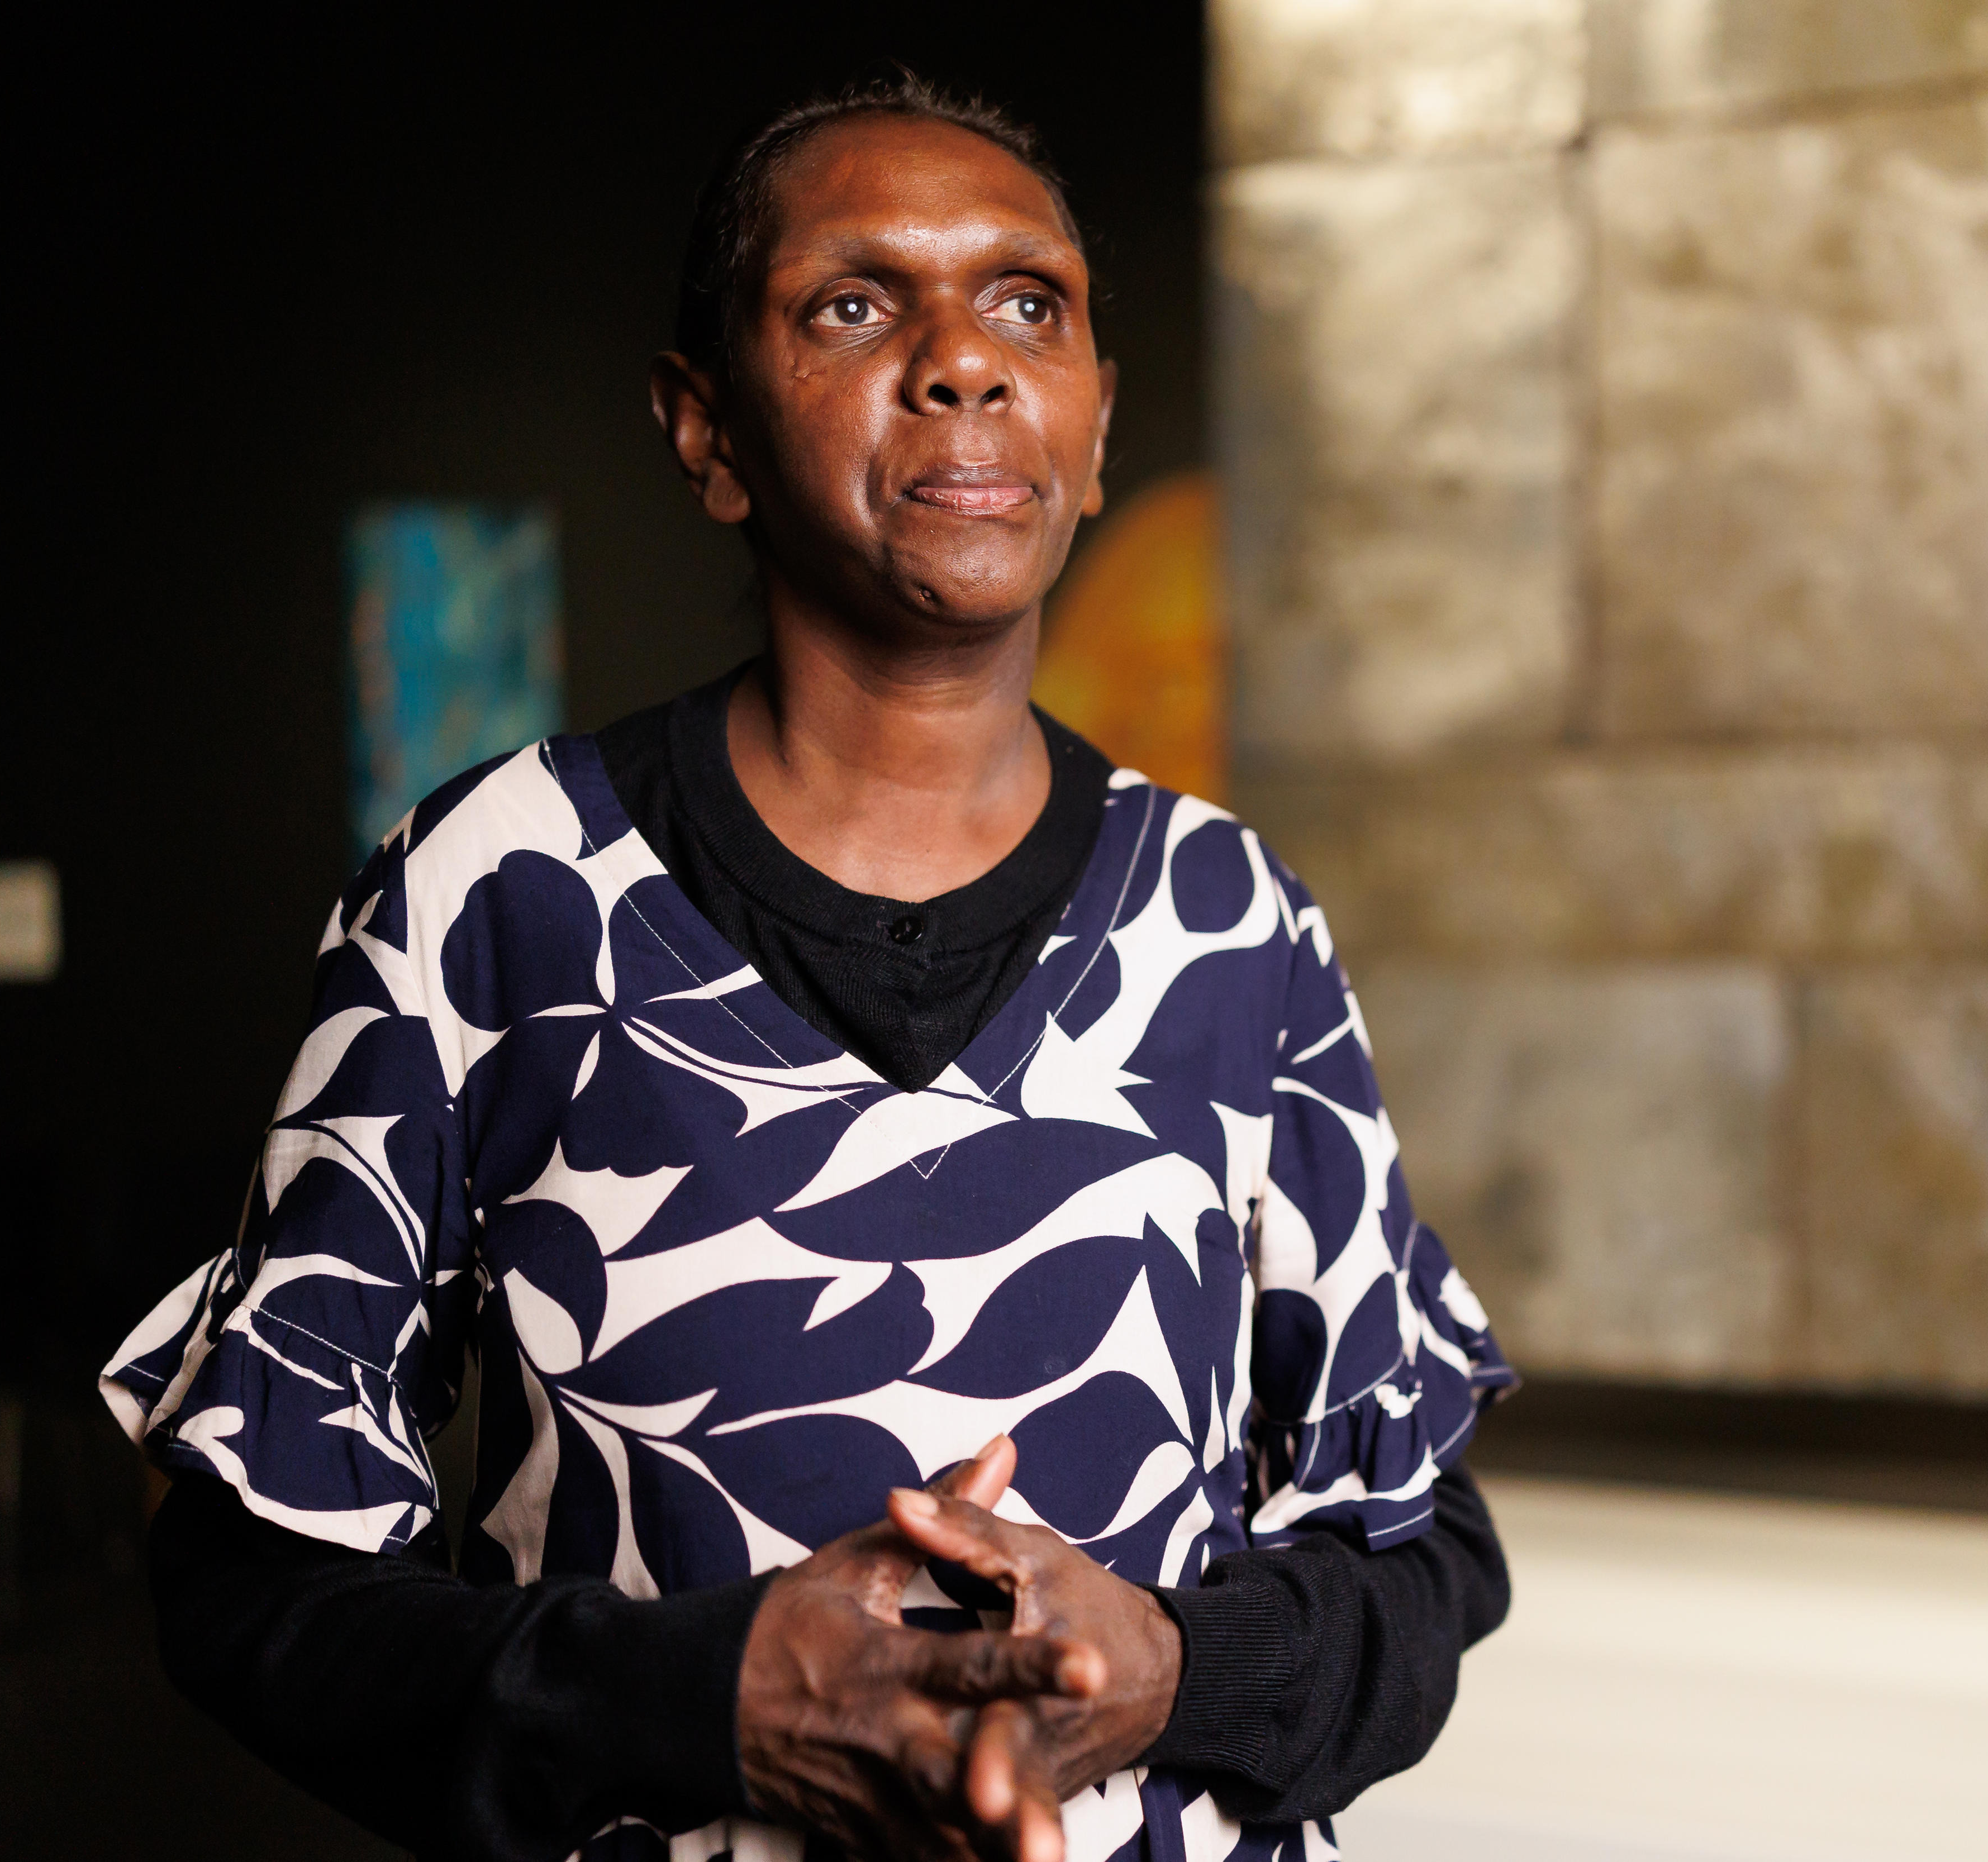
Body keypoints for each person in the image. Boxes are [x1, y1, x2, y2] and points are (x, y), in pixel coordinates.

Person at [102, 72, 1514, 1862]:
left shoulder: (1233, 920)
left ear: (1091, 425)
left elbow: (1423, 1557)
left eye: (1029, 303)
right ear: (706, 432)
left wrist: (1174, 1664)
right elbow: (244, 1584)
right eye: (857, 304)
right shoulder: (498, 892)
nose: (963, 360)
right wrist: (703, 1701)